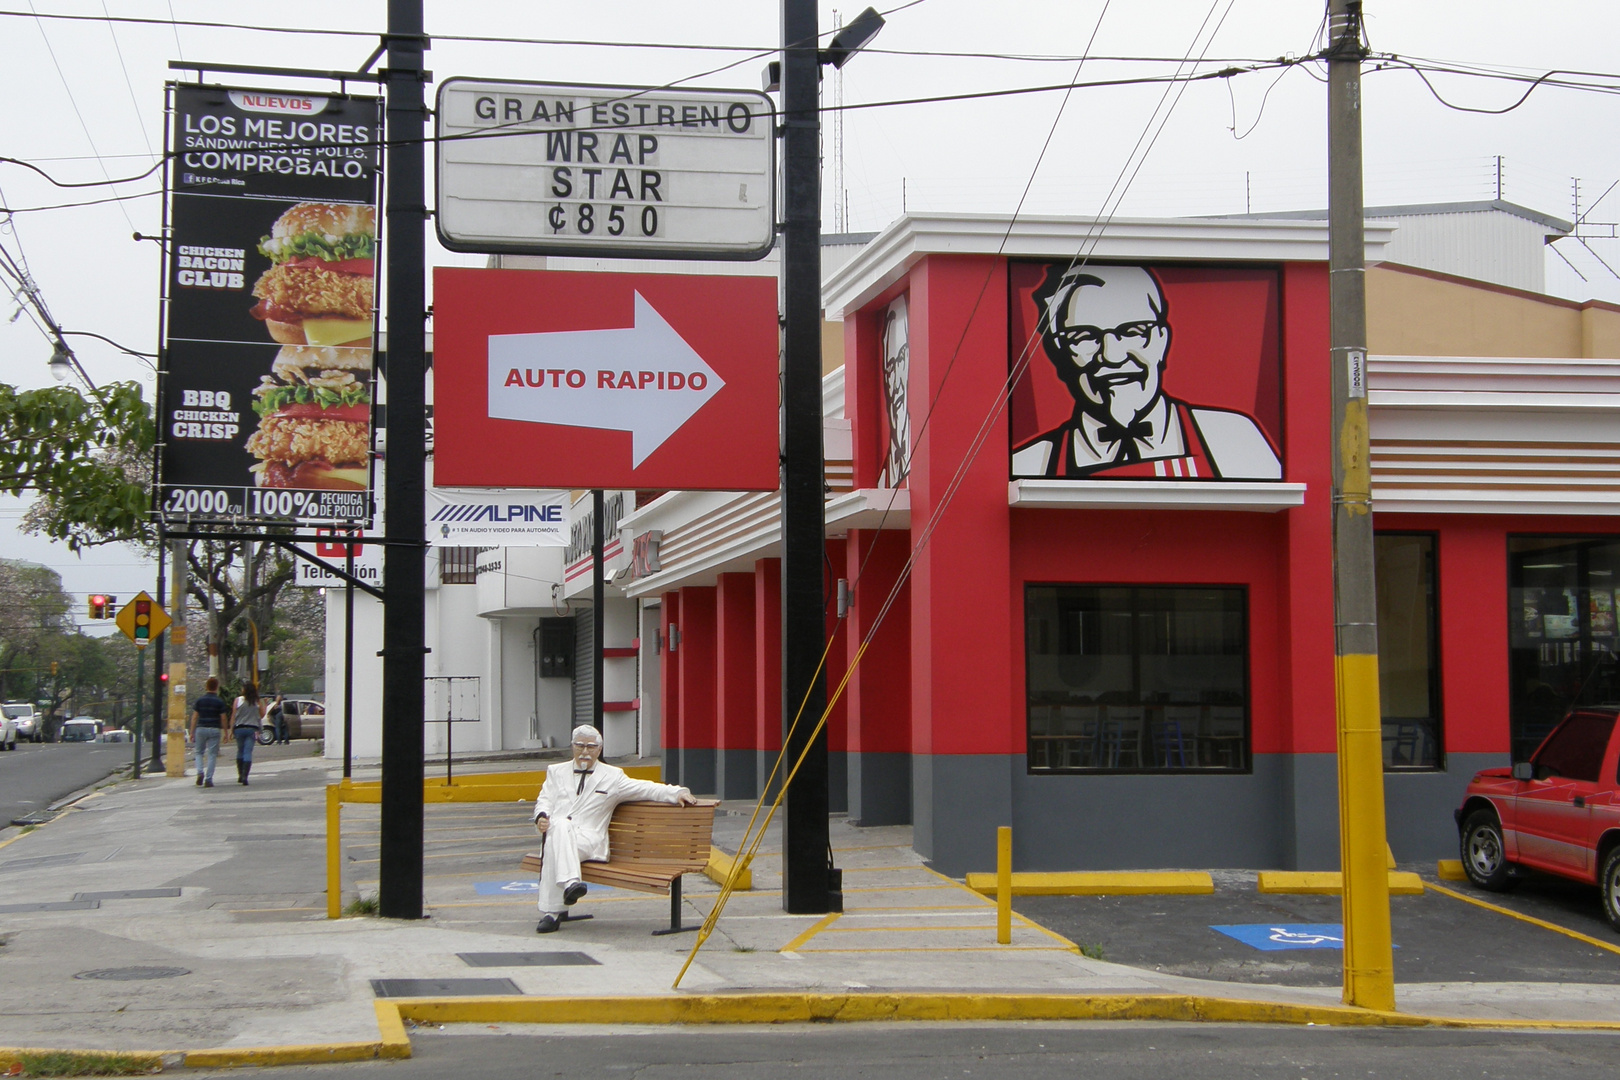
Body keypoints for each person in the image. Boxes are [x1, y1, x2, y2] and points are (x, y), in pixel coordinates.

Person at [1011, 264, 1283, 480]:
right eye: (1084, 336)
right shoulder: (1032, 463)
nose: (1112, 356)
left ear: (1162, 340)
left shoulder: (1232, 439)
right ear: (1059, 351)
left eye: (1132, 332)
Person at [531, 724, 698, 934]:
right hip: (560, 835)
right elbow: (544, 800)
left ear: (599, 750)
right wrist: (541, 817)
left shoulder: (613, 776)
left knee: (554, 841)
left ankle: (551, 914)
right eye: (580, 746)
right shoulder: (556, 772)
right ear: (572, 746)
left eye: (590, 747)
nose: (585, 751)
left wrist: (677, 792)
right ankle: (570, 884)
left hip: (589, 841)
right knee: (559, 826)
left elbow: (646, 788)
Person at [188, 677, 229, 788]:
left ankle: (200, 771)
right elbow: (223, 718)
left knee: (199, 752)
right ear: (217, 687)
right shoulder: (219, 701)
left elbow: (194, 717)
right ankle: (208, 779)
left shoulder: (200, 700)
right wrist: (226, 732)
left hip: (201, 728)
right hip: (215, 729)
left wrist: (191, 732)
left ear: (206, 686)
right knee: (212, 754)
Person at [230, 683, 266, 786]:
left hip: (239, 729)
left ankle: (240, 774)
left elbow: (233, 716)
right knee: (248, 752)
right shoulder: (257, 701)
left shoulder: (238, 700)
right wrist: (264, 704)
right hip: (252, 729)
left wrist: (231, 730)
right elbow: (262, 715)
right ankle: (245, 776)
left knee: (240, 751)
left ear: (244, 690)